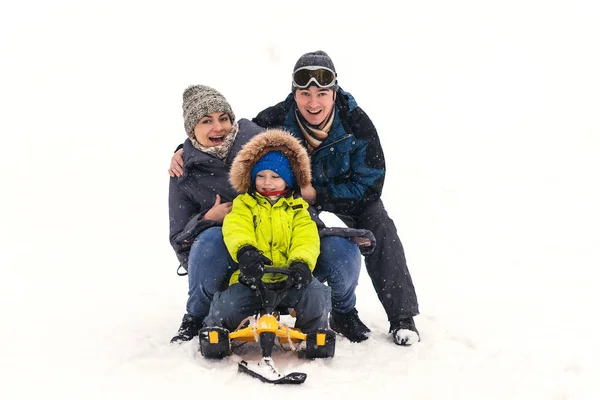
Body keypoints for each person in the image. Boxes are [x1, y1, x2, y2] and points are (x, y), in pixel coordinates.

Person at [169, 85, 367, 344]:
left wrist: (302, 260)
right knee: (211, 242)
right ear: (191, 129)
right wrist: (209, 220)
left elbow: (297, 152)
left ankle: (342, 314)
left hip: (291, 248)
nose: (218, 128)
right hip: (239, 263)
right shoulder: (186, 171)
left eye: (224, 118)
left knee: (342, 249)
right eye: (206, 121)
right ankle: (198, 317)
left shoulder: (261, 144)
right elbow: (179, 236)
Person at [251, 51, 420, 345]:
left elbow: (371, 184)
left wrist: (322, 194)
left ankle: (401, 316)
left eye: (322, 93)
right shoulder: (274, 118)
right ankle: (271, 306)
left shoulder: (356, 122)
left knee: (379, 223)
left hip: (344, 195)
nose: (313, 103)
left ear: (334, 92)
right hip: (292, 196)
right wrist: (182, 149)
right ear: (294, 94)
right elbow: (233, 142)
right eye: (304, 93)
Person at [202, 129, 331, 338]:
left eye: (275, 176)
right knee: (229, 304)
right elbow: (236, 228)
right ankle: (215, 330)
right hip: (252, 278)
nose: (267, 182)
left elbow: (306, 238)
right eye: (260, 176)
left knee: (315, 294)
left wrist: (301, 262)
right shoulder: (244, 204)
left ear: (288, 181)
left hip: (290, 279)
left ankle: (317, 333)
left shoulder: (298, 209)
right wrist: (245, 251)